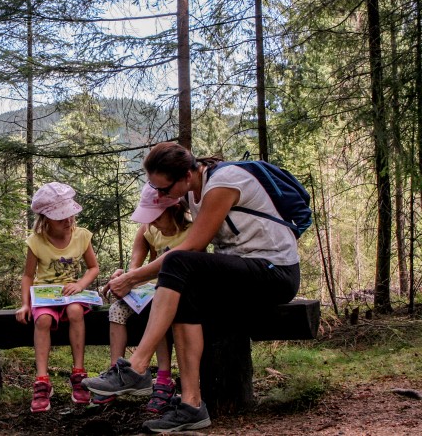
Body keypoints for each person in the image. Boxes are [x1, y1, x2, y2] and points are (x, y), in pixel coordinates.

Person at [82, 142, 301, 433]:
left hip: (274, 273)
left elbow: (194, 246)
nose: (161, 196)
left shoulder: (223, 182)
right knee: (185, 290)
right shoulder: (195, 190)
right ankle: (191, 405)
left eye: (164, 189)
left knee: (178, 262)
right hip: (241, 274)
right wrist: (136, 274)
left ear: (187, 174)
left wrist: (133, 278)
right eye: (155, 189)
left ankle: (136, 366)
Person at [92, 185, 192, 416]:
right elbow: (135, 268)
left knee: (155, 310)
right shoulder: (148, 229)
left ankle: (164, 379)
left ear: (174, 209)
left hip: (180, 290)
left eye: (155, 216)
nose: (152, 221)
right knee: (116, 310)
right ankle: (117, 372)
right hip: (151, 286)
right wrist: (125, 277)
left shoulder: (192, 229)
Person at [15, 182, 100, 413]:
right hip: (45, 296)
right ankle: (42, 381)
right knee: (42, 320)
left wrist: (80, 284)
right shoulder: (36, 242)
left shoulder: (81, 236)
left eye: (70, 214)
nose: (68, 220)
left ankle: (79, 374)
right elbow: (28, 275)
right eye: (61, 216)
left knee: (74, 312)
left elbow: (93, 268)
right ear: (45, 219)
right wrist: (25, 304)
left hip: (72, 294)